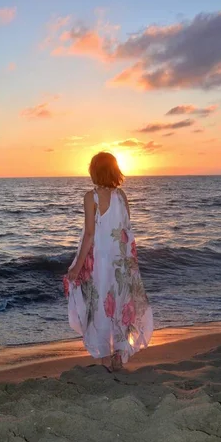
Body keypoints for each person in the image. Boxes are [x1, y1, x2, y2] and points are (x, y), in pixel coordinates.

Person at [64, 151, 153, 371]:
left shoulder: (91, 197)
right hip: (121, 263)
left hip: (101, 264)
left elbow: (90, 235)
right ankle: (118, 358)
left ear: (94, 171)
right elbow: (126, 230)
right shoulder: (121, 196)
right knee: (121, 306)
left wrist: (77, 266)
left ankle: (105, 360)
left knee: (101, 307)